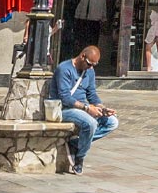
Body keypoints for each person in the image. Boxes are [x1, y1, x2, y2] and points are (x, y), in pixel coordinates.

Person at [50, 44, 118, 173]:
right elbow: (65, 98)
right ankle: (80, 158)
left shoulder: (89, 71)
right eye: (89, 64)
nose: (91, 67)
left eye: (94, 65)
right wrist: (87, 108)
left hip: (83, 108)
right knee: (90, 123)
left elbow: (91, 94)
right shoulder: (64, 69)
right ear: (82, 56)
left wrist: (102, 108)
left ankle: (76, 144)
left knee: (112, 122)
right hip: (64, 109)